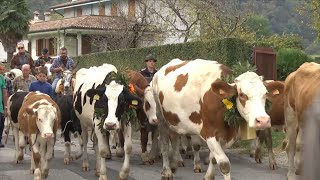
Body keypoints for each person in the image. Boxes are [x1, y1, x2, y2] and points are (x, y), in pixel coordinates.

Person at [0, 66, 8, 148]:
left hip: (0, 106)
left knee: (1, 123)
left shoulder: (1, 77)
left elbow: (4, 92)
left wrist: (6, 106)